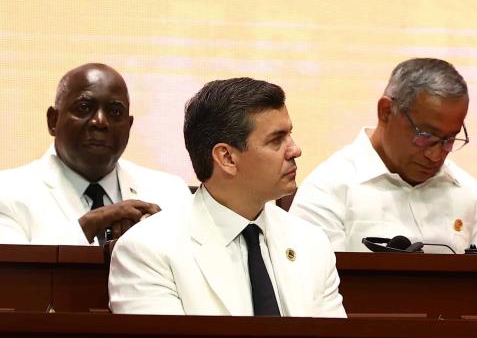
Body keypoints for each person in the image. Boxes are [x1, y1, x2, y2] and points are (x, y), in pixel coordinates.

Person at [109, 77, 345, 317]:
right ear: (227, 158)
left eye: (290, 135)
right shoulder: (147, 250)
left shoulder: (312, 243)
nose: (295, 150)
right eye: (277, 139)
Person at [290, 58, 477, 254]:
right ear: (386, 111)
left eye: (449, 140)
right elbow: (315, 287)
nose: (435, 156)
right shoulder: (328, 190)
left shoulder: (469, 194)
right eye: (425, 136)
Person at [0, 63, 191, 245]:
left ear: (129, 126)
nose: (100, 122)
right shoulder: (8, 191)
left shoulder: (170, 194)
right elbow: (12, 274)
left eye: (115, 112)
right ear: (53, 120)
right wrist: (90, 225)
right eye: (84, 108)